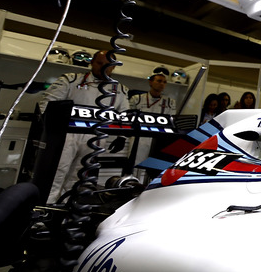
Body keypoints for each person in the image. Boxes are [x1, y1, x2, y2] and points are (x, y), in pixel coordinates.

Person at [38, 50, 129, 203]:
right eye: (100, 63)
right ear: (92, 62)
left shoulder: (120, 89)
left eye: (108, 65)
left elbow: (125, 115)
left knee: (79, 177)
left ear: (113, 67)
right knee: (57, 173)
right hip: (67, 134)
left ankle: (66, 212)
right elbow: (46, 104)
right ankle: (45, 212)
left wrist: (122, 136)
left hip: (97, 136)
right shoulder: (71, 79)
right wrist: (50, 130)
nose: (104, 68)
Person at [129, 71, 176, 182]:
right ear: (150, 82)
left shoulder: (170, 102)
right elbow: (129, 118)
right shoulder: (137, 99)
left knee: (153, 169)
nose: (162, 84)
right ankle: (132, 186)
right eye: (159, 81)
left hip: (158, 140)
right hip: (139, 138)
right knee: (136, 166)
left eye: (164, 82)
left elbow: (172, 122)